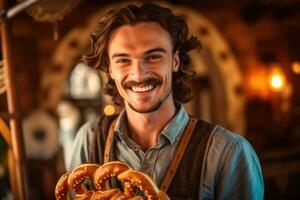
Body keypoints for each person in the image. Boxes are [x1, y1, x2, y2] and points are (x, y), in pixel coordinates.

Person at [67, 2, 264, 199]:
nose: (138, 74)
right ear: (110, 69)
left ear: (175, 61)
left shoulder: (229, 153)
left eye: (153, 57)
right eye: (123, 60)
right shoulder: (88, 140)